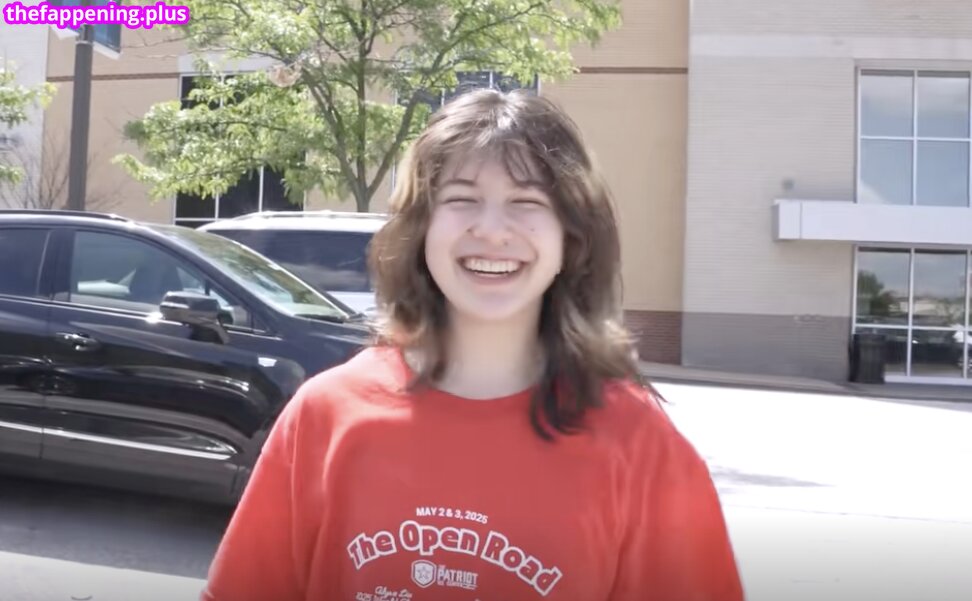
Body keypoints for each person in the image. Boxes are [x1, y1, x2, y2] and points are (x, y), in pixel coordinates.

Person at [201, 88, 744, 601]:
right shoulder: (327, 414)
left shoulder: (639, 443)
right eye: (462, 199)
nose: (491, 229)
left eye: (526, 201)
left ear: (571, 237)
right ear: (421, 229)